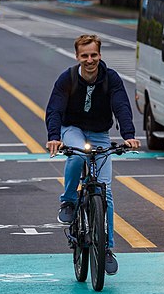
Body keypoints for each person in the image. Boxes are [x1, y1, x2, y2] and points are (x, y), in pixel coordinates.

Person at [45, 34, 141, 275]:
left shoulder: (111, 79)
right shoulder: (67, 79)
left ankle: (106, 249)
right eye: (85, 56)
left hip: (99, 133)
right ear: (77, 57)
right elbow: (54, 109)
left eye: (94, 55)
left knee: (105, 192)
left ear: (100, 55)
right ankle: (68, 201)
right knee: (77, 156)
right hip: (73, 129)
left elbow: (121, 106)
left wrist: (128, 135)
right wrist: (54, 136)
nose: (90, 60)